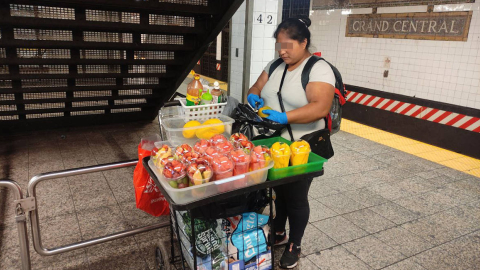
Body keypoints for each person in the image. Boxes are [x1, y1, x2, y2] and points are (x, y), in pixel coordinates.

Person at [246, 16, 335, 268]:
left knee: (296, 196)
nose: (282, 51)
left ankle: (295, 244)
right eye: (279, 45)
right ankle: (278, 231)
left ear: (304, 42)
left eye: (288, 45)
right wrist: (254, 97)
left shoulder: (318, 68)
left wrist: (285, 117)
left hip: (302, 145)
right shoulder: (275, 65)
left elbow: (320, 107)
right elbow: (256, 87)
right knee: (278, 191)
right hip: (273, 143)